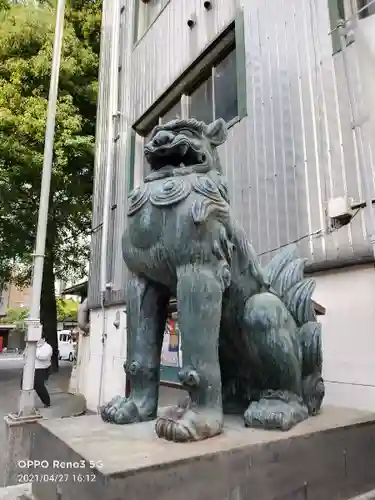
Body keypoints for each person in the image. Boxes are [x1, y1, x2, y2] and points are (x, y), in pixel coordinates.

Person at [21, 336, 53, 408]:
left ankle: (46, 401)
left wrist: (34, 350)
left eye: (39, 339)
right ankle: (25, 402)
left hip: (41, 368)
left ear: (43, 339)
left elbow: (43, 356)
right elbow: (25, 354)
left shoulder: (47, 347)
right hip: (29, 367)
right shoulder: (31, 345)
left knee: (39, 386)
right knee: (23, 383)